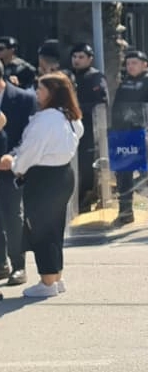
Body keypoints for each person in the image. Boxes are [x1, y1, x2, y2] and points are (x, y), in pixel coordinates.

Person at [0, 73, 81, 298]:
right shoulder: (68, 115)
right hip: (63, 174)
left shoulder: (45, 119)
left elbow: (30, 151)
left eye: (41, 89)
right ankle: (56, 276)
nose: (37, 93)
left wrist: (14, 164)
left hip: (44, 178)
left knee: (41, 231)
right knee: (54, 229)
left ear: (53, 93)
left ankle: (47, 281)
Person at [110, 50, 148, 227]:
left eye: (134, 63)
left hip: (146, 135)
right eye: (128, 63)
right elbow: (116, 109)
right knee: (123, 175)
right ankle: (125, 212)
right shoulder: (125, 84)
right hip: (126, 136)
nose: (131, 66)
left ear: (144, 64)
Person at [0, 75, 38, 286]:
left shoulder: (24, 98)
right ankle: (1, 264)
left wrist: (13, 156)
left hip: (12, 168)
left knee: (13, 216)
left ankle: (18, 265)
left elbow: (29, 135)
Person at [69, 44, 107, 211]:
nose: (76, 60)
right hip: (69, 128)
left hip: (89, 128)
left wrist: (77, 110)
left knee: (86, 165)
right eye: (74, 57)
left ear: (90, 59)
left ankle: (85, 197)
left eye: (81, 57)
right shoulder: (68, 75)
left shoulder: (95, 77)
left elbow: (101, 103)